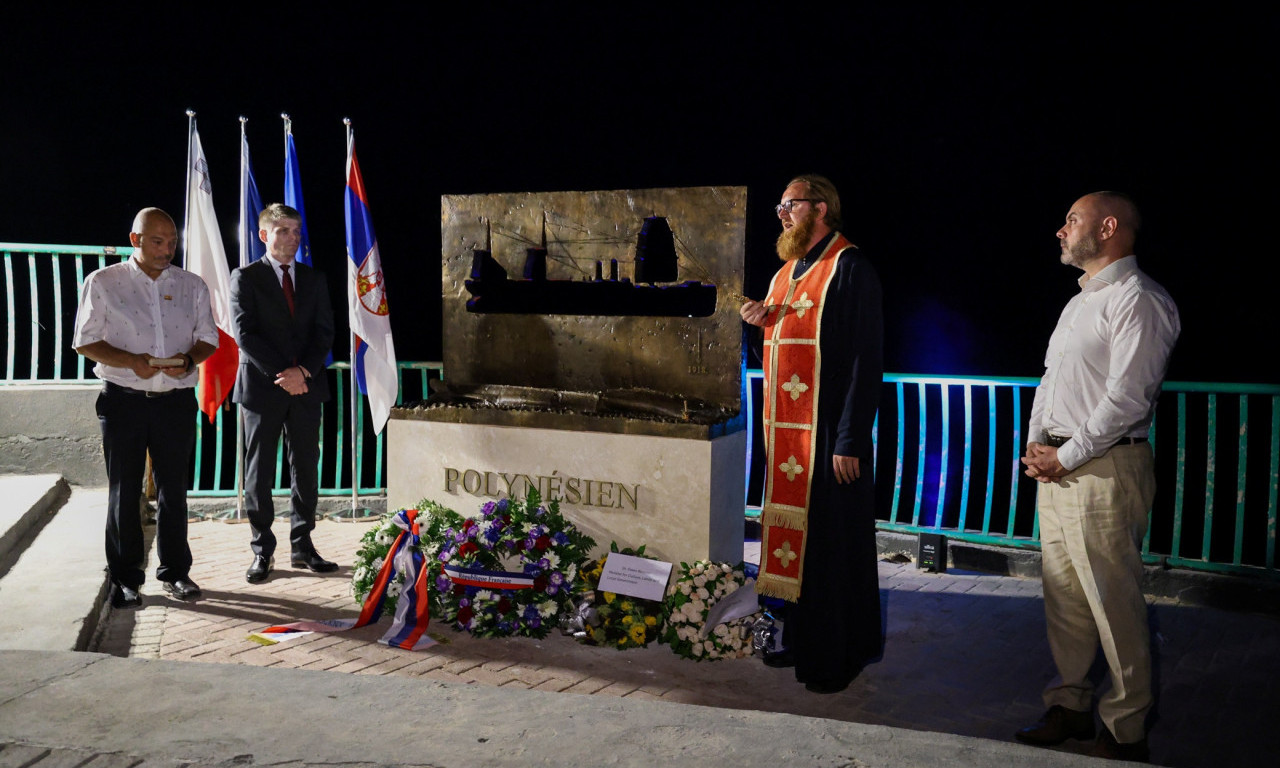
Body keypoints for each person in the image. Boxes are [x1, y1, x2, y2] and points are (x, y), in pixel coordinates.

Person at [1016, 192, 1180, 762]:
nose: (1061, 230)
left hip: (1105, 467)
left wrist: (1069, 454)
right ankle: (1070, 706)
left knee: (1113, 600)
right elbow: (1049, 379)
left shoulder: (1141, 300)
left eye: (1072, 220)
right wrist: (1039, 443)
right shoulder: (1080, 302)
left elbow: (1128, 400)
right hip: (1061, 466)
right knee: (1064, 596)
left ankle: (1126, 727)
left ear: (1109, 228)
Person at [740, 174, 884, 694]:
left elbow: (866, 363)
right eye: (780, 205)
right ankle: (800, 642)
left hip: (827, 435)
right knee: (798, 550)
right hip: (790, 439)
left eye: (790, 204)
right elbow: (778, 358)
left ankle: (836, 657)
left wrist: (850, 439)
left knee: (830, 547)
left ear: (820, 208)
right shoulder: (785, 276)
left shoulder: (850, 267)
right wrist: (762, 325)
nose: (781, 213)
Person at [72, 207, 218, 608]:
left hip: (175, 402)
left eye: (172, 241)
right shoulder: (104, 282)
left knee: (175, 490)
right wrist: (131, 361)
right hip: (124, 400)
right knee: (124, 490)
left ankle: (175, 572)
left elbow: (208, 338)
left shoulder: (192, 285)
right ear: (135, 240)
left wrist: (189, 361)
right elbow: (85, 340)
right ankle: (125, 578)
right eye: (157, 241)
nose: (167, 249)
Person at [230, 203, 337, 583]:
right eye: (284, 230)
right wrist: (283, 373)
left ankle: (302, 545)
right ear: (264, 234)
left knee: (306, 467)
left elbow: (325, 332)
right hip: (262, 388)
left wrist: (303, 372)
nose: (293, 237)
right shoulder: (244, 278)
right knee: (259, 471)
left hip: (306, 386)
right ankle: (262, 550)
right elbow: (244, 334)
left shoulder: (314, 279)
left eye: (297, 230)